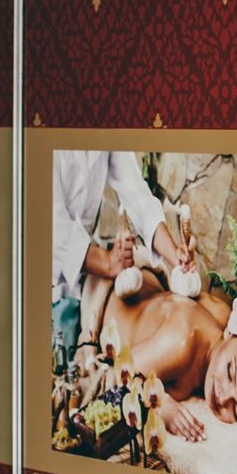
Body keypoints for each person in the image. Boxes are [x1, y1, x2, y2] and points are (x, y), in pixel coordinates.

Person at [85, 268, 237, 441]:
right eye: (230, 372)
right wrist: (160, 403)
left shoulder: (227, 327)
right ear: (231, 332)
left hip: (148, 291)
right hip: (106, 296)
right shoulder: (180, 343)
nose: (223, 396)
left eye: (235, 409)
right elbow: (120, 374)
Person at [50, 151, 192, 360]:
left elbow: (137, 194)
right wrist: (107, 262)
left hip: (75, 280)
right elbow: (50, 223)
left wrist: (175, 255)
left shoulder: (106, 130)